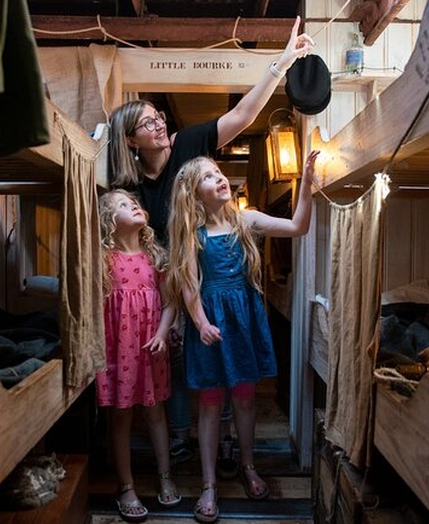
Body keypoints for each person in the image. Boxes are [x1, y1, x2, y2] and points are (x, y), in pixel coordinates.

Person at [107, 15, 316, 472]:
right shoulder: (128, 184)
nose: (158, 124)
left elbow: (242, 116)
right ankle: (182, 442)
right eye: (146, 123)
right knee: (179, 359)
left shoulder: (189, 144)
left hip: (204, 271)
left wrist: (281, 64)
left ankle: (223, 445)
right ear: (131, 140)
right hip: (168, 280)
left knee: (217, 359)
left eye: (158, 116)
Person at [165, 151, 320, 523]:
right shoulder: (193, 234)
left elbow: (298, 226)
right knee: (210, 403)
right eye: (208, 176)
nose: (219, 177)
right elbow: (189, 285)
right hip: (210, 323)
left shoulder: (245, 220)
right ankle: (208, 484)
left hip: (243, 321)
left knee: (245, 400)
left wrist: (307, 184)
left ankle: (248, 466)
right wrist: (201, 323)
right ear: (193, 194)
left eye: (218, 172)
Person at [96, 189, 181, 523]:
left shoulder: (154, 257)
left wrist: (162, 333)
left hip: (149, 347)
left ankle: (165, 476)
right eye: (122, 204)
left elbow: (171, 301)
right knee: (121, 416)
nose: (132, 205)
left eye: (133, 202)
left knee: (156, 412)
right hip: (118, 350)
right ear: (108, 220)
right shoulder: (103, 258)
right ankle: (126, 486)